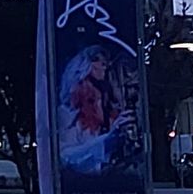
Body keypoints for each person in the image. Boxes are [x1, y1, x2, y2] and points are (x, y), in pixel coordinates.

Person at [57, 46, 137, 175]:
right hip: (82, 187)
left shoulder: (108, 106)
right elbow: (67, 157)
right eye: (98, 61)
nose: (104, 66)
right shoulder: (67, 112)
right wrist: (108, 138)